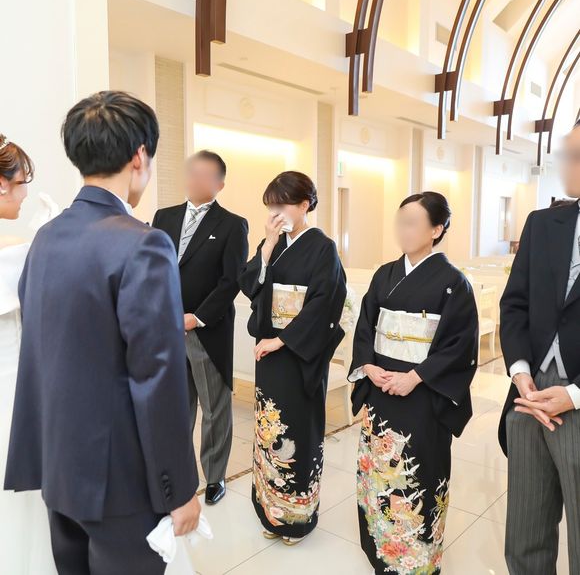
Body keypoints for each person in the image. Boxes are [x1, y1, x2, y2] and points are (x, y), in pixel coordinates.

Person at [4, 92, 201, 575]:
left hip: (59, 471)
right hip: (121, 485)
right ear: (139, 156)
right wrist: (179, 488)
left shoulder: (46, 238)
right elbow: (158, 377)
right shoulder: (143, 243)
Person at [349, 191, 478, 574]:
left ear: (436, 229)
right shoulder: (384, 274)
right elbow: (365, 326)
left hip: (423, 397)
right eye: (400, 222)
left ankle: (416, 561)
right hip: (381, 390)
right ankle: (381, 549)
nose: (403, 230)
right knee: (378, 470)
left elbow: (460, 346)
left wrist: (416, 377)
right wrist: (368, 365)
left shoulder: (454, 283)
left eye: (412, 223)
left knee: (418, 473)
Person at [239, 171, 346, 545]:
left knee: (298, 430)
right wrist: (267, 245)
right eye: (270, 205)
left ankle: (297, 518)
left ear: (304, 205)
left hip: (300, 354)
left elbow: (324, 304)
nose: (275, 212)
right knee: (270, 430)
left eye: (282, 204)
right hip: (269, 354)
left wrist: (283, 340)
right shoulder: (273, 243)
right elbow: (249, 285)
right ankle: (271, 512)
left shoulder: (323, 248)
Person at [499, 120, 580, 574]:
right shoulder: (543, 223)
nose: (566, 164)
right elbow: (515, 303)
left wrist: (574, 394)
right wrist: (520, 370)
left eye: (576, 155)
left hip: (577, 397)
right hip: (529, 397)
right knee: (526, 529)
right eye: (566, 153)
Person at [152, 150, 249, 505]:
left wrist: (196, 317)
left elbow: (231, 280)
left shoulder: (232, 224)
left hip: (207, 329)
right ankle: (179, 472)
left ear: (219, 184)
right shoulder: (164, 217)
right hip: (167, 328)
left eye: (204, 174)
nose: (195, 179)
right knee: (176, 407)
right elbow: (153, 267)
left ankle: (215, 476)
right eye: (191, 172)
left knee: (214, 407)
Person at [0, 135, 57, 574]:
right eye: (22, 183)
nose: (24, 194)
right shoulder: (16, 250)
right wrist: (48, 238)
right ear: (2, 185)